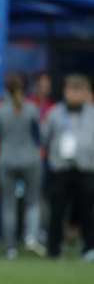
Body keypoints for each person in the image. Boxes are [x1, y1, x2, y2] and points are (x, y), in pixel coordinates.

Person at [42, 73, 94, 261]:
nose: (75, 96)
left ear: (86, 93)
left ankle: (89, 248)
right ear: (65, 92)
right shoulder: (55, 112)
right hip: (60, 168)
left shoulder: (91, 114)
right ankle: (54, 249)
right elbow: (45, 139)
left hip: (86, 169)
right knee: (57, 209)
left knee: (88, 211)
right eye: (72, 91)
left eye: (79, 91)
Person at [0, 72, 44, 260]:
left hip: (6, 159)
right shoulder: (32, 109)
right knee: (32, 200)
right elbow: (40, 137)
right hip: (31, 159)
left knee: (8, 204)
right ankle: (31, 235)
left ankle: (10, 249)